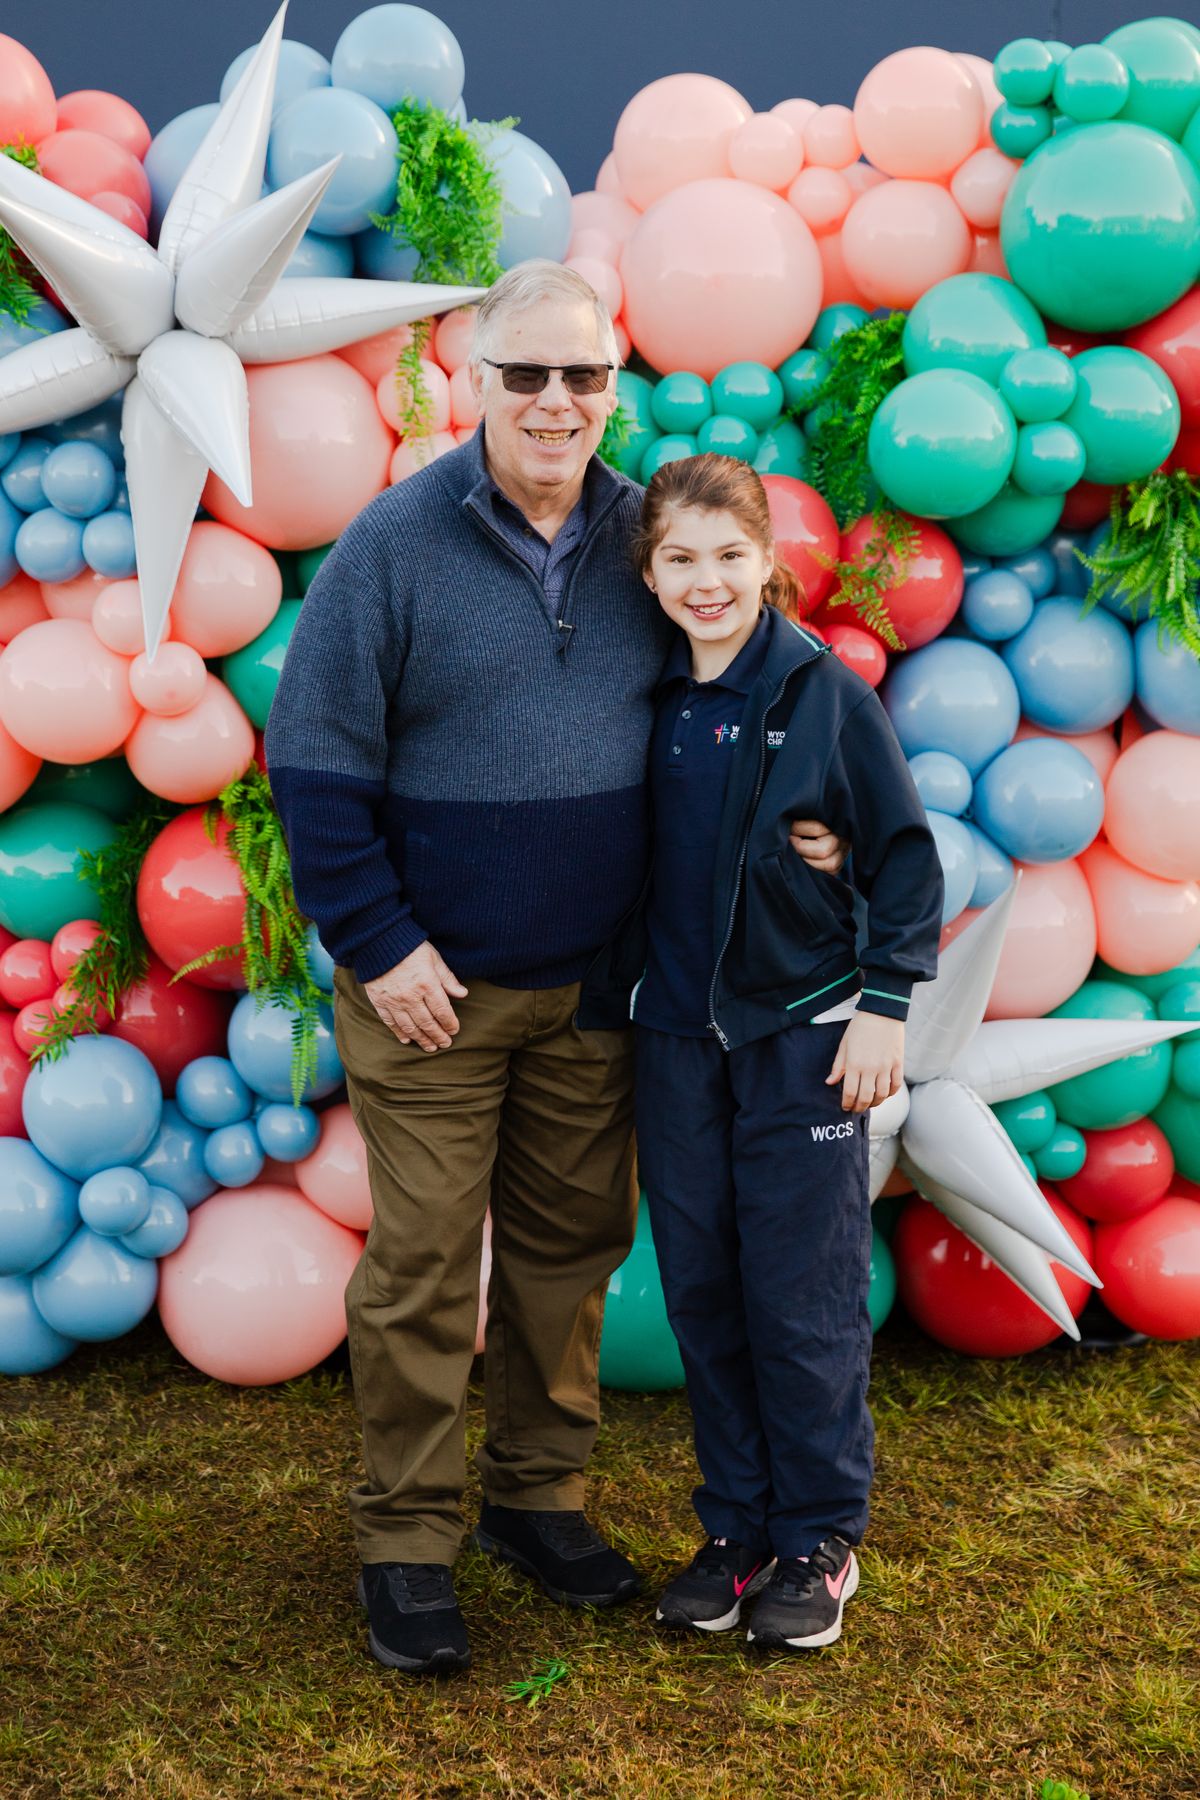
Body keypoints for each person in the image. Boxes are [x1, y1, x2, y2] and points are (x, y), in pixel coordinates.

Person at [266, 262, 846, 1677]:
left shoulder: (652, 535)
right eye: (525, 373)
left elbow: (767, 671)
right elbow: (315, 762)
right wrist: (380, 943)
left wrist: (825, 808)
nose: (554, 401)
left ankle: (537, 1501)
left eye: (581, 376)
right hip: (432, 991)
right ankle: (407, 1542)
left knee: (567, 1256)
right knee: (421, 1269)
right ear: (477, 379)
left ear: (611, 386)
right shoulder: (392, 547)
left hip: (597, 990)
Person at [579, 454, 944, 1653]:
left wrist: (884, 1004)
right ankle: (736, 1528)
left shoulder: (823, 692)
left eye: (730, 555)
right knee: (704, 1287)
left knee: (801, 1294)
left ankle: (819, 1540)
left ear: (768, 561)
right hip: (677, 1038)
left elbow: (900, 855)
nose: (708, 581)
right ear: (649, 573)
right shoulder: (643, 700)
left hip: (804, 1035)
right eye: (680, 558)